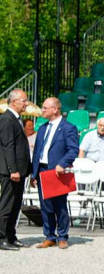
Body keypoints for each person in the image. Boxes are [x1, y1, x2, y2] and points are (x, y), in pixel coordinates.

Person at [31, 97, 79, 250]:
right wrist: (34, 173)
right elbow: (38, 151)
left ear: (55, 109)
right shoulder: (43, 128)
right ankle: (49, 236)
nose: (42, 110)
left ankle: (63, 236)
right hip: (43, 170)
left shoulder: (68, 128)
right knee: (45, 206)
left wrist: (62, 163)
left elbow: (73, 150)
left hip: (57, 171)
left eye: (45, 108)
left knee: (60, 205)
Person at [0, 89, 32, 250]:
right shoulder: (6, 119)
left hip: (20, 170)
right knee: (6, 205)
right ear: (14, 102)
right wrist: (13, 169)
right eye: (24, 100)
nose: (26, 103)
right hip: (10, 171)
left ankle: (11, 236)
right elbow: (8, 146)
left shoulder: (17, 119)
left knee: (15, 205)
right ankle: (2, 238)